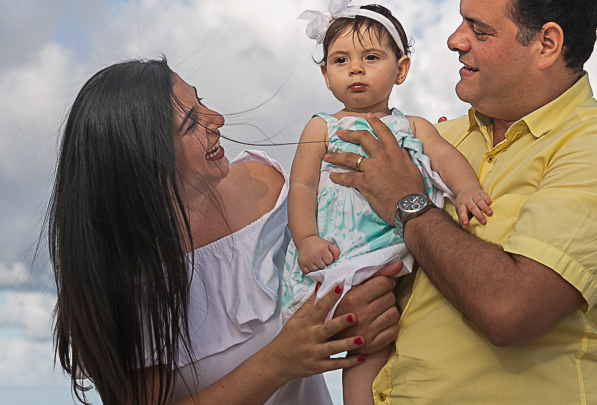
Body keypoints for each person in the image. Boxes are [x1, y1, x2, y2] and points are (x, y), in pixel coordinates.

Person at [324, 0, 597, 404]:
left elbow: (511, 309)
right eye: (460, 21)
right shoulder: (434, 140)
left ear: (547, 44)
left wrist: (410, 205)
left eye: (479, 29)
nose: (453, 40)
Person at [48, 59, 401, 405]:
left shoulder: (263, 185)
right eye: (190, 123)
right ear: (146, 164)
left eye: (199, 100)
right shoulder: (121, 287)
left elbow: (335, 256)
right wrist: (278, 363)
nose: (216, 120)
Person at [283, 0, 492, 405]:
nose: (355, 70)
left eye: (371, 58)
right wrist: (306, 239)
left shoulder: (414, 126)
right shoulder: (320, 127)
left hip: (394, 248)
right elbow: (302, 186)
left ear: (401, 69)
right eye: (341, 61)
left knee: (382, 337)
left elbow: (446, 157)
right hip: (339, 252)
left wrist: (467, 188)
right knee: (356, 342)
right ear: (325, 75)